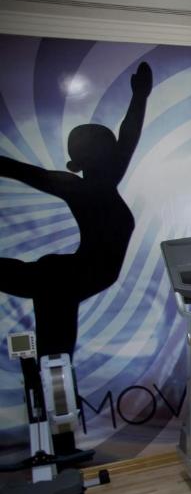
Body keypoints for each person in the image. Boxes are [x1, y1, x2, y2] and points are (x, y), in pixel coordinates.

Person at [0, 62, 152, 358]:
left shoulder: (106, 180)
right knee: (55, 356)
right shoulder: (76, 186)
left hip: (72, 275)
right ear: (86, 161)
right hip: (67, 277)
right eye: (107, 150)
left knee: (55, 355)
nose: (116, 153)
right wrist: (139, 95)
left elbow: (128, 135)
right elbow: (19, 170)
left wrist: (139, 96)